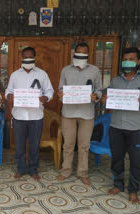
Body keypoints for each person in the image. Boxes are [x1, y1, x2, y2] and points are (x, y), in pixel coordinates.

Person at [101, 47, 140, 203]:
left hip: (136, 128)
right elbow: (108, 94)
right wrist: (104, 98)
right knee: (117, 158)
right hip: (116, 126)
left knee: (136, 161)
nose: (127, 62)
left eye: (131, 59)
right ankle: (118, 184)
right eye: (125, 59)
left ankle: (133, 190)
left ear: (138, 62)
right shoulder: (116, 80)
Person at [56, 42, 102, 186]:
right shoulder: (66, 70)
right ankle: (66, 171)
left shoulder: (95, 71)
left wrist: (96, 95)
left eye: (84, 53)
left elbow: (100, 90)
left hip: (87, 113)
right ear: (74, 54)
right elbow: (60, 89)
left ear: (88, 55)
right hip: (68, 113)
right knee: (68, 145)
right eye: (78, 53)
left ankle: (83, 173)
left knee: (84, 146)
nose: (81, 56)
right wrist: (60, 94)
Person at [5, 47, 54, 181]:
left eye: (30, 57)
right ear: (21, 58)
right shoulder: (15, 75)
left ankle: (33, 169)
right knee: (19, 145)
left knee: (34, 145)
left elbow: (50, 91)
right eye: (25, 57)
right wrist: (9, 96)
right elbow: (8, 92)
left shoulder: (42, 74)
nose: (27, 59)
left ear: (35, 58)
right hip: (19, 116)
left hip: (36, 116)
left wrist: (45, 97)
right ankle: (21, 169)